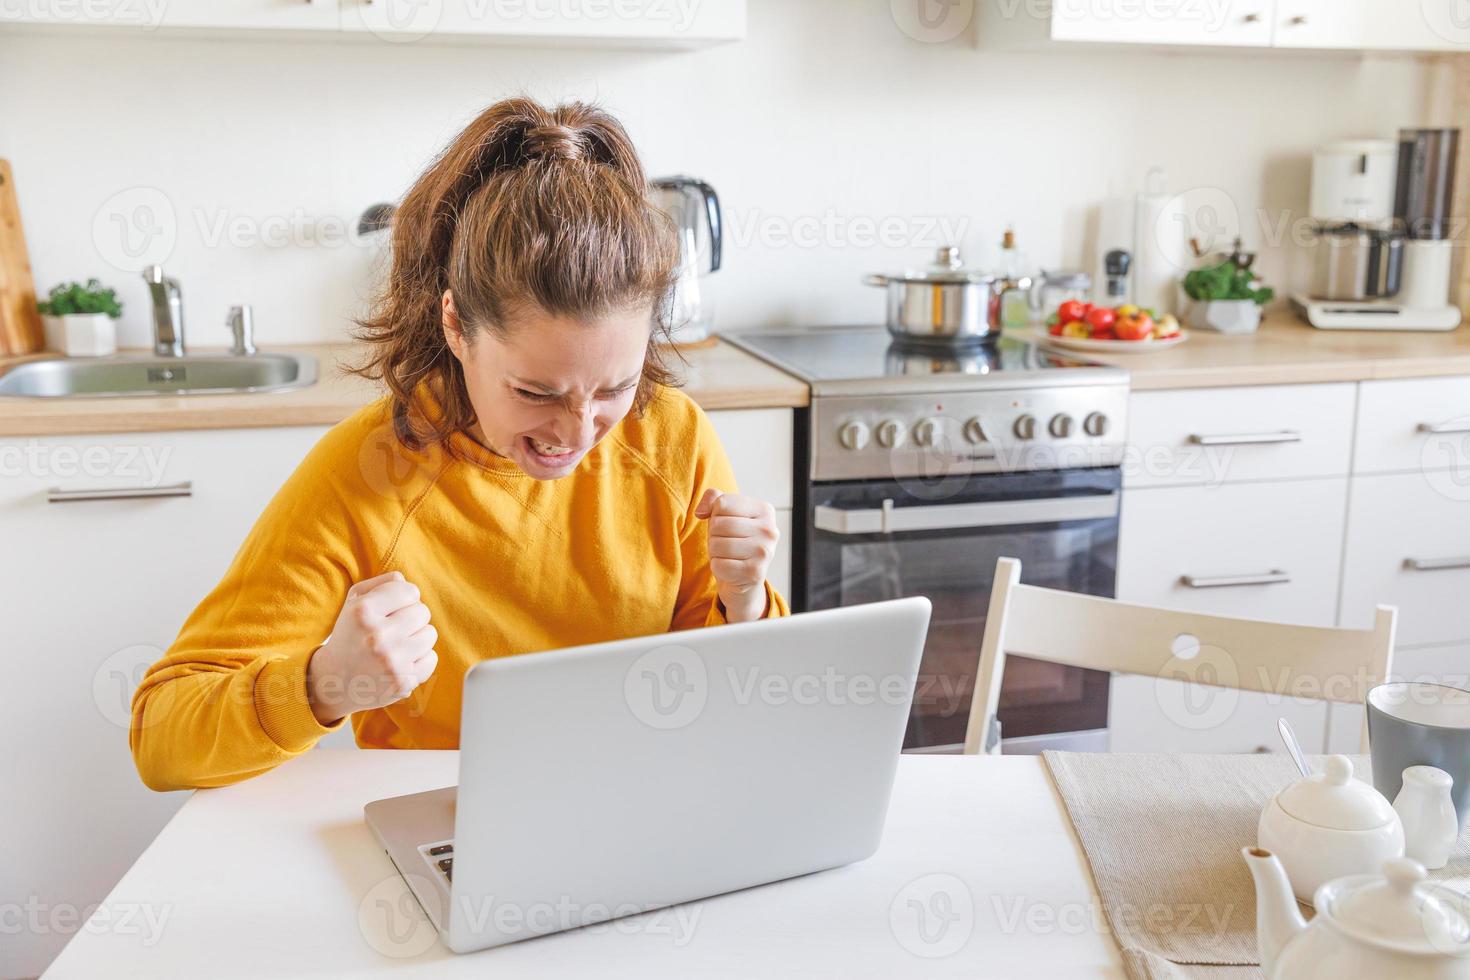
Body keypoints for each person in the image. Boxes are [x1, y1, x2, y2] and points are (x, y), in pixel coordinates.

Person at [129, 97, 788, 791]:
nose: (577, 432)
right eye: (535, 393)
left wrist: (745, 604)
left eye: (613, 389)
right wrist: (323, 685)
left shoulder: (673, 437)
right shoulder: (368, 474)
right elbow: (162, 738)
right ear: (455, 326)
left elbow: (731, 714)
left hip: (646, 799)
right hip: (446, 816)